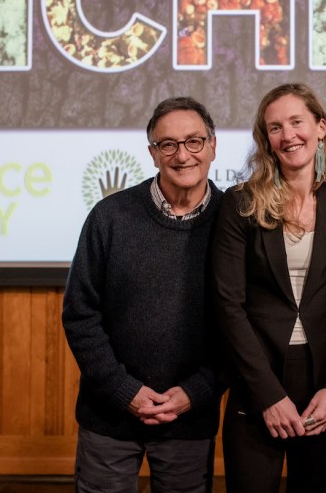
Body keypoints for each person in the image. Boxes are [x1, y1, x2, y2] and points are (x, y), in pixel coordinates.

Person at [62, 97, 224, 493]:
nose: (182, 154)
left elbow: (244, 321)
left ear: (213, 146)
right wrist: (124, 391)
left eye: (194, 141)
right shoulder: (109, 216)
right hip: (109, 416)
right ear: (153, 154)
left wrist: (196, 393)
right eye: (168, 144)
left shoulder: (234, 221)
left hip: (190, 416)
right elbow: (81, 315)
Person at [212, 83, 326, 493]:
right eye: (275, 128)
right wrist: (267, 394)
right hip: (256, 377)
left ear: (320, 128)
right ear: (266, 140)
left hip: (321, 382)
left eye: (296, 122)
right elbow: (228, 304)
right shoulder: (240, 203)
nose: (288, 135)